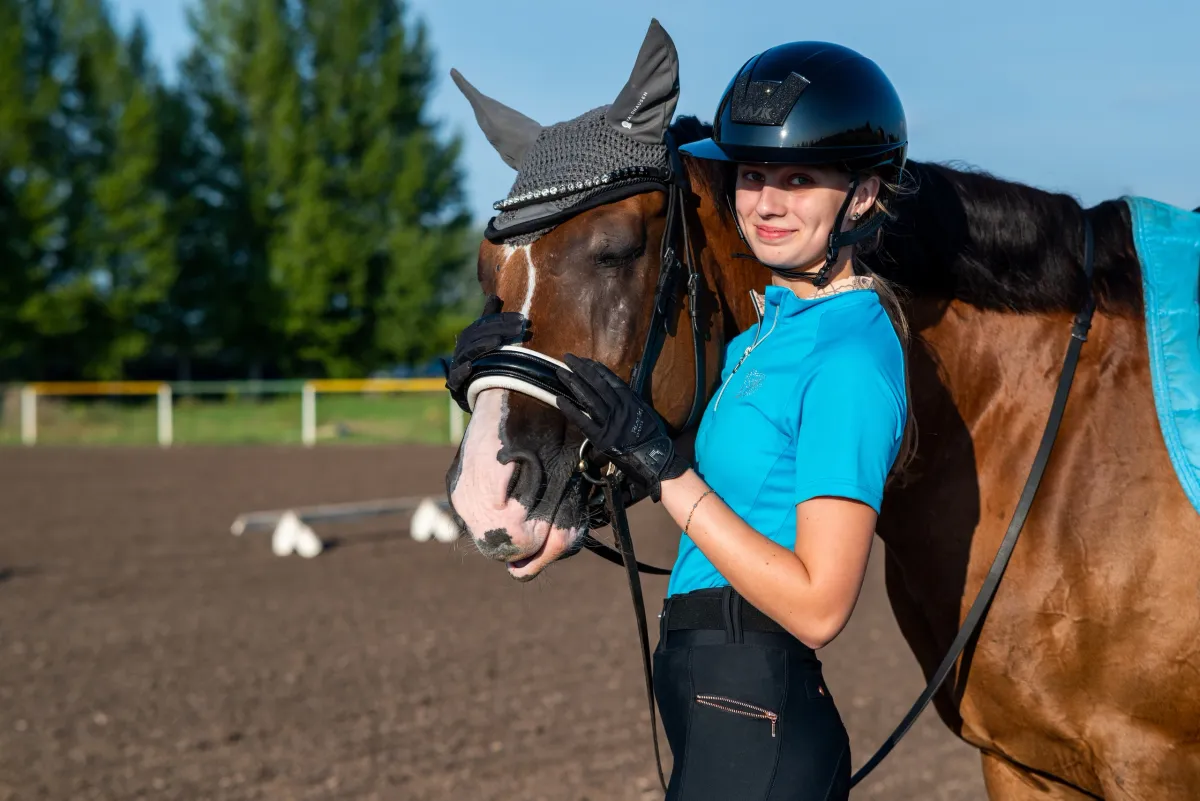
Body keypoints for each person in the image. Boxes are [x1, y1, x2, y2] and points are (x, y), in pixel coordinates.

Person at [451, 41, 911, 801]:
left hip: (760, 718)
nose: (766, 203)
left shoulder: (851, 356)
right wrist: (504, 388)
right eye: (752, 176)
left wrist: (665, 468)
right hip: (716, 711)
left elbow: (820, 605)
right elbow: (702, 469)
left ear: (861, 196)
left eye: (799, 180)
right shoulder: (766, 333)